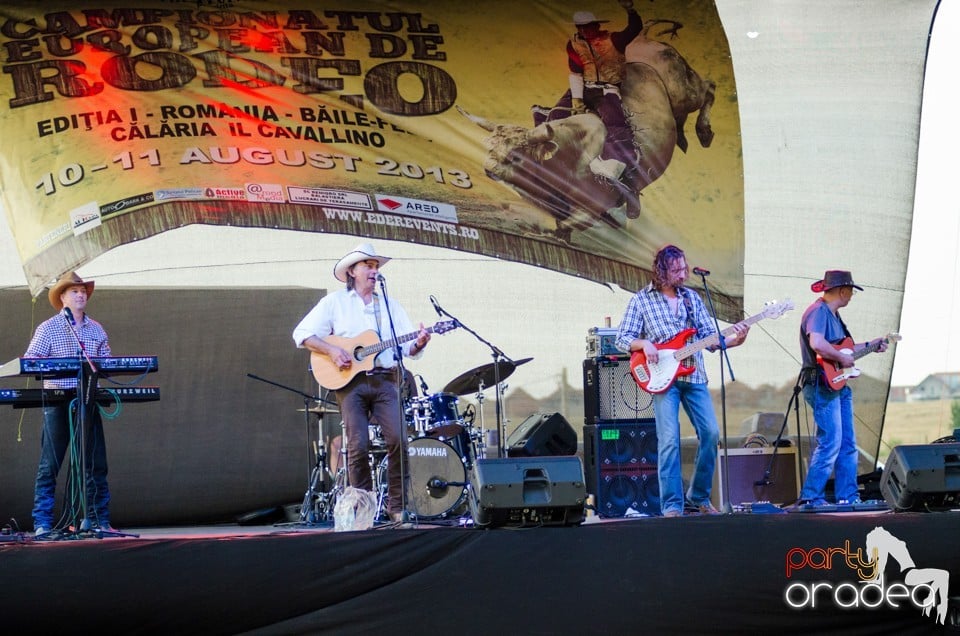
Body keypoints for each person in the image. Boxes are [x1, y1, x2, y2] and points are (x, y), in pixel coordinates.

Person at [293, 243, 430, 523]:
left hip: (385, 381)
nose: (374, 270)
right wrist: (332, 350)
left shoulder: (390, 306)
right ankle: (363, 508)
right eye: (368, 265)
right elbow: (303, 334)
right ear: (352, 272)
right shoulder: (334, 303)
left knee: (399, 440)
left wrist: (418, 343)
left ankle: (397, 507)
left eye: (376, 265)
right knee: (358, 445)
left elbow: (406, 350)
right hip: (350, 384)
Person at [615, 245, 750, 517]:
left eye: (684, 268)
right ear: (662, 271)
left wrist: (735, 340)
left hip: (695, 375)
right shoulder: (642, 300)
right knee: (669, 440)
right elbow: (622, 338)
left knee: (711, 433)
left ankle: (698, 497)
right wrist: (645, 343)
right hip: (663, 379)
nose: (683, 274)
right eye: (676, 270)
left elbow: (711, 339)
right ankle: (672, 506)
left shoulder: (692, 298)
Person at [26, 272, 113, 536]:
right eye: (74, 291)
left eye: (83, 290)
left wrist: (102, 366)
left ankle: (100, 521)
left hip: (87, 400)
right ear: (62, 297)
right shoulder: (48, 328)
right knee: (49, 465)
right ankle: (42, 523)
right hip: (58, 402)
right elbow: (31, 361)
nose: (80, 294)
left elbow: (108, 363)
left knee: (95, 464)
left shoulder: (95, 328)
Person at [539, 1, 644, 217]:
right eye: (580, 27)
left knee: (617, 129)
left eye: (588, 26)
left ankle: (631, 187)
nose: (584, 30)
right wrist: (577, 100)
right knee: (556, 116)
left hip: (608, 89)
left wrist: (630, 10)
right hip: (584, 88)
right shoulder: (574, 44)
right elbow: (576, 72)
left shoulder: (614, 39)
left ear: (596, 25)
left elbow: (634, 29)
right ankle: (548, 167)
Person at [797, 270, 888, 506]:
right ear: (842, 290)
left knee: (847, 444)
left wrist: (871, 345)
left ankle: (848, 497)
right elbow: (817, 344)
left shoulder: (833, 316)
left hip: (837, 385)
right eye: (851, 292)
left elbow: (845, 350)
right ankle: (811, 497)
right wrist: (841, 357)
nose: (851, 296)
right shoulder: (818, 311)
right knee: (831, 442)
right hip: (821, 384)